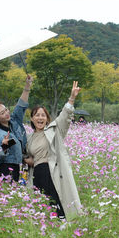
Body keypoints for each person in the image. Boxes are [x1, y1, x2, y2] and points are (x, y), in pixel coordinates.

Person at [25, 81, 83, 219]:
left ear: (47, 118)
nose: (40, 118)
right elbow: (27, 156)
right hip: (37, 174)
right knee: (43, 206)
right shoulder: (29, 138)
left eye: (43, 115)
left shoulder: (53, 131)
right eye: (37, 115)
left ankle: (62, 226)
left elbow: (64, 117)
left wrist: (72, 98)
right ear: (32, 119)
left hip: (52, 172)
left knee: (57, 202)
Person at [0, 74, 33, 182]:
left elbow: (21, 105)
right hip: (5, 169)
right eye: (2, 113)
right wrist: (4, 146)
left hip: (17, 167)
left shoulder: (14, 121)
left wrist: (27, 86)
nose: (6, 113)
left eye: (6, 110)